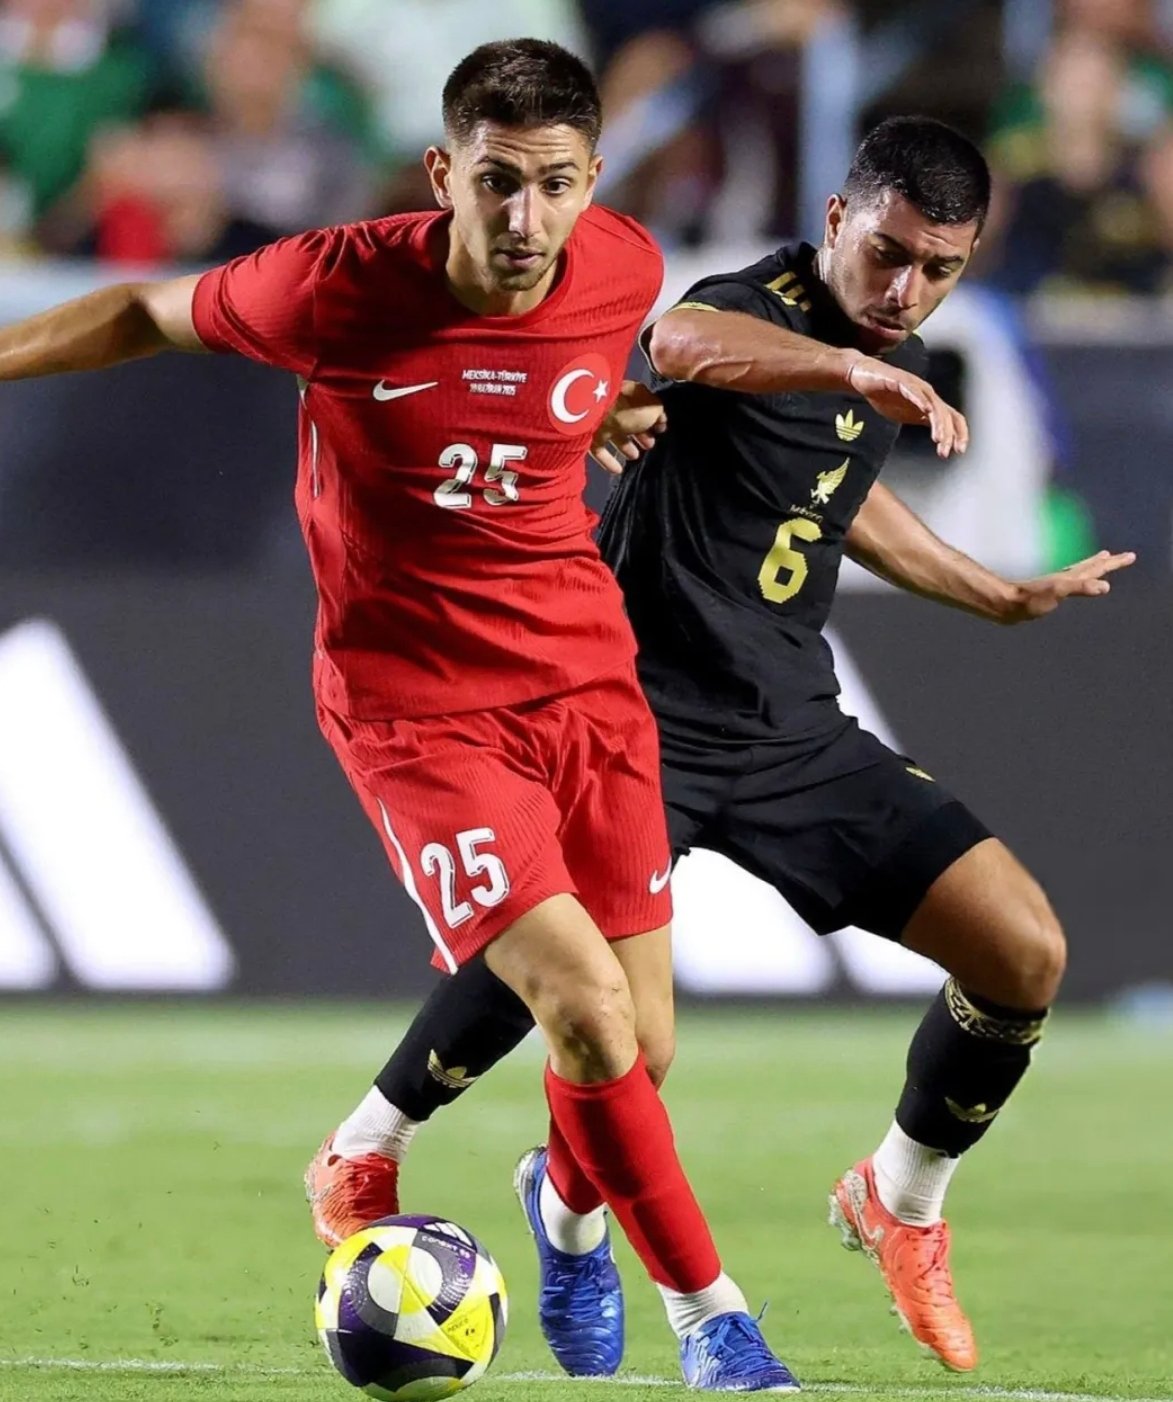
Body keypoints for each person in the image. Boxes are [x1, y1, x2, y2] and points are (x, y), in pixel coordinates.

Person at [0, 37, 797, 1395]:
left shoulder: (623, 267)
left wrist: (596, 415)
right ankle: (716, 1325)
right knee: (585, 1007)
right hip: (417, 705)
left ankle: (555, 1209)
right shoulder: (335, 285)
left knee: (641, 1044)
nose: (527, 217)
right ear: (443, 173)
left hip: (587, 683)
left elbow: (556, 380)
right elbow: (139, 311)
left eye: (556, 184)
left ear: (594, 179)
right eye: (497, 182)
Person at [313, 116, 1135, 1376]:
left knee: (1023, 950)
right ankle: (479, 1183)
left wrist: (995, 591)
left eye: (939, 268)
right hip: (629, 716)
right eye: (888, 252)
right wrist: (847, 370)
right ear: (836, 217)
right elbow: (678, 343)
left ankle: (899, 1197)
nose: (905, 289)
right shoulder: (755, 309)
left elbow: (842, 496)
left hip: (790, 728)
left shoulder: (881, 358)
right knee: (597, 1011)